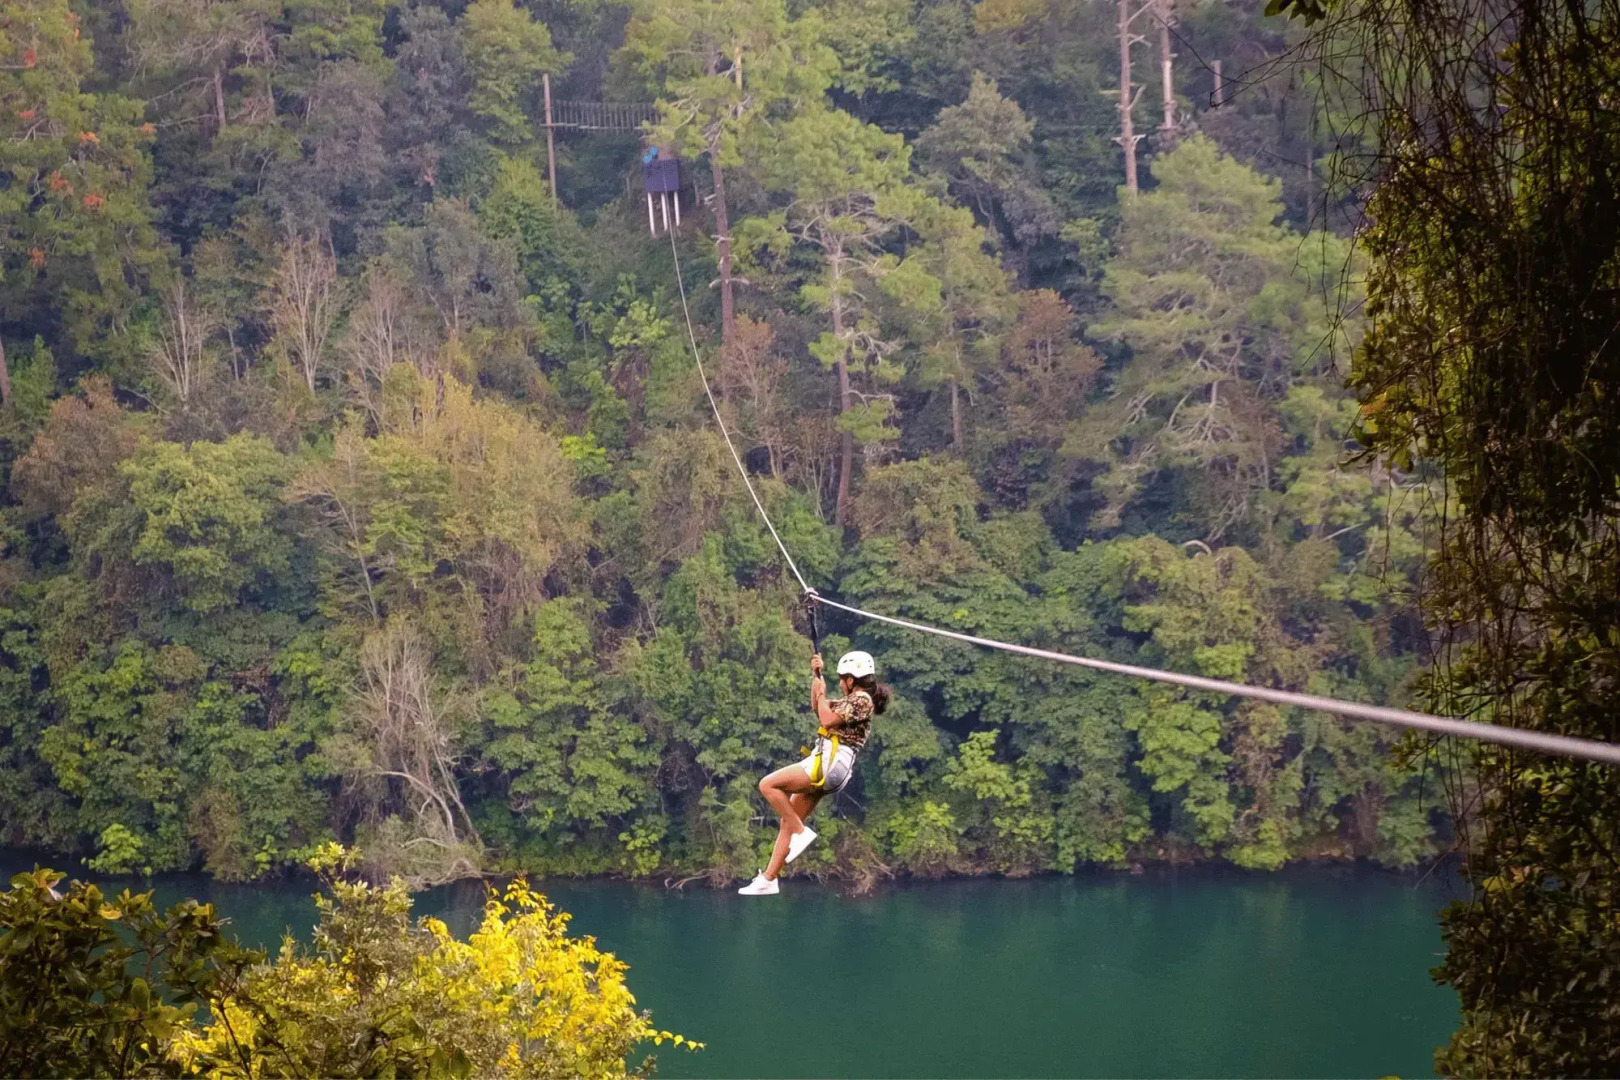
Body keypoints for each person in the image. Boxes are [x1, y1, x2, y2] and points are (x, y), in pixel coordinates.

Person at [738, 649, 890, 896]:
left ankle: (801, 832)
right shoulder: (851, 701)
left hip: (830, 763)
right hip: (831, 765)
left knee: (768, 785)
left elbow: (827, 720)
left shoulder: (862, 700)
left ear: (851, 680)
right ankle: (769, 878)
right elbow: (818, 709)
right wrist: (817, 676)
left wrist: (821, 694)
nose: (840, 684)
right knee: (787, 820)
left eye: (842, 679)